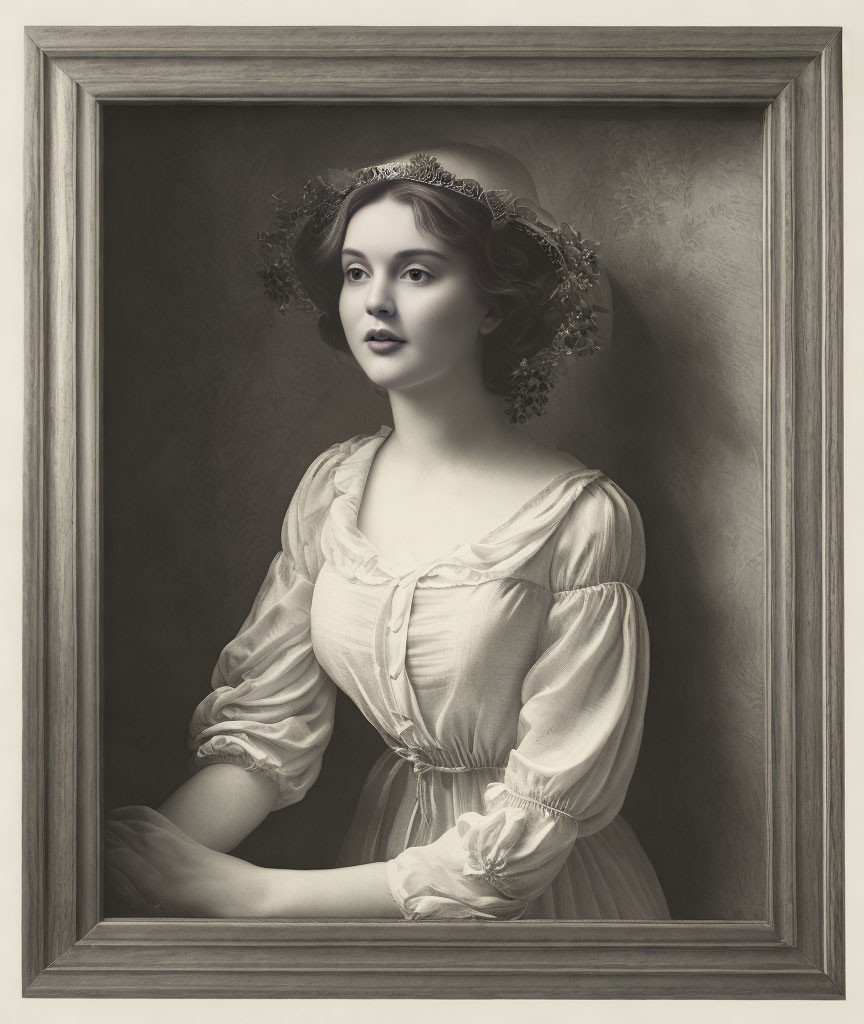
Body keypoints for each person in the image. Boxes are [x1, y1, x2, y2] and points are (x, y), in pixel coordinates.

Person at [105, 143, 670, 922]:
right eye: (356, 271)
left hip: (540, 895)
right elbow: (267, 732)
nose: (375, 301)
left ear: (493, 303)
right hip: (375, 866)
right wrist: (128, 864)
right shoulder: (332, 490)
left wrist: (259, 893)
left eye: (416, 272)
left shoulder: (580, 521)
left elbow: (540, 823)